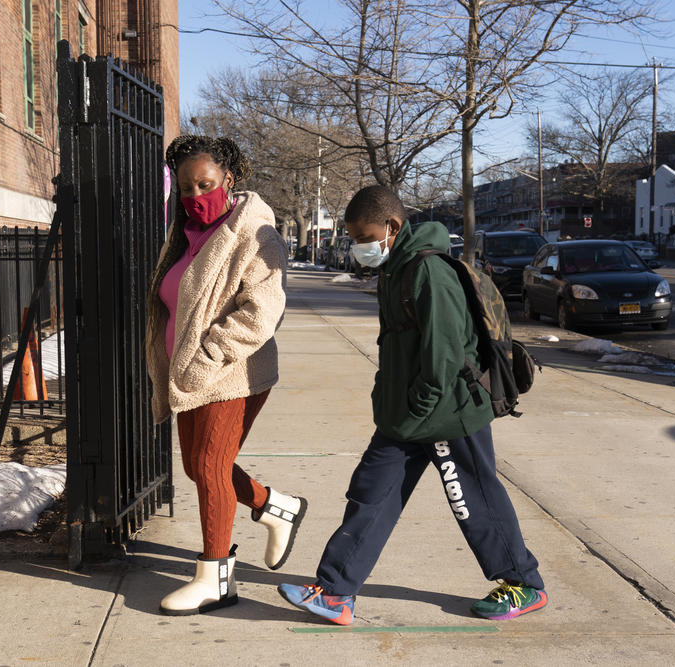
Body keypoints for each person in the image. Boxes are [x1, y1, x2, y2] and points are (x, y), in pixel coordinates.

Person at [277, 185, 547, 626]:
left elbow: (442, 357)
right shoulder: (394, 268)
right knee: (370, 494)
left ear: (393, 227)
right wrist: (390, 402)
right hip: (408, 413)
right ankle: (335, 592)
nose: (360, 247)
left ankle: (523, 583)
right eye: (355, 239)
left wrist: (419, 409)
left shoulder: (429, 273)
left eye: (365, 237)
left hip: (447, 411)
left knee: (472, 499)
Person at [145, 135, 307, 616]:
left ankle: (215, 579)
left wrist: (209, 356)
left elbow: (262, 312)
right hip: (188, 374)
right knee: (198, 468)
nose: (196, 196)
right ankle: (277, 507)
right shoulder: (187, 235)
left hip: (232, 374)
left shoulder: (255, 234)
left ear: (228, 180)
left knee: (211, 468)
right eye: (187, 187)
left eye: (206, 184)